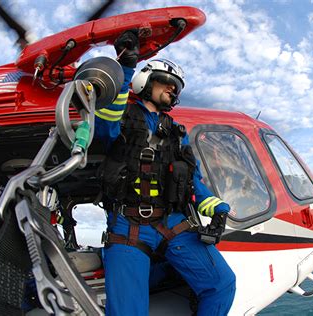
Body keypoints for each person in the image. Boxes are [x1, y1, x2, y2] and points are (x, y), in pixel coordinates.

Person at [94, 30, 236, 316]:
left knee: (221, 284)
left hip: (172, 222)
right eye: (168, 84)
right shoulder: (121, 113)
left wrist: (218, 207)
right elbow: (103, 126)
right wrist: (125, 68)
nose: (173, 91)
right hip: (128, 225)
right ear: (146, 82)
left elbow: (190, 181)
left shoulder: (175, 132)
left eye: (176, 89)